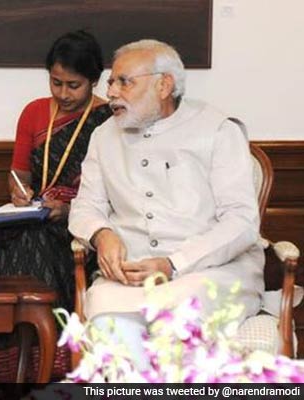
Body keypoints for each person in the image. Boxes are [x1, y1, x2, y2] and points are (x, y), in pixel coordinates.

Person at [68, 39, 264, 370]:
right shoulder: (103, 136)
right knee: (109, 332)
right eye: (111, 81)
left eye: (124, 81)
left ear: (164, 85)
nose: (111, 92)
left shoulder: (217, 130)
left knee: (174, 330)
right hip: (131, 277)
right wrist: (101, 233)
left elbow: (241, 221)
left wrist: (175, 262)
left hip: (208, 271)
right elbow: (86, 205)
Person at [0, 30, 112, 380]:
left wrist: (68, 210)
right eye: (56, 83)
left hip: (81, 226)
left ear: (94, 81)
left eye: (74, 85)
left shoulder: (110, 120)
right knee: (10, 239)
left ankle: (53, 362)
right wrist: (19, 191)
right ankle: (11, 364)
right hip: (33, 216)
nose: (63, 94)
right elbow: (18, 173)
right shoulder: (35, 112)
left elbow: (115, 196)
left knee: (34, 242)